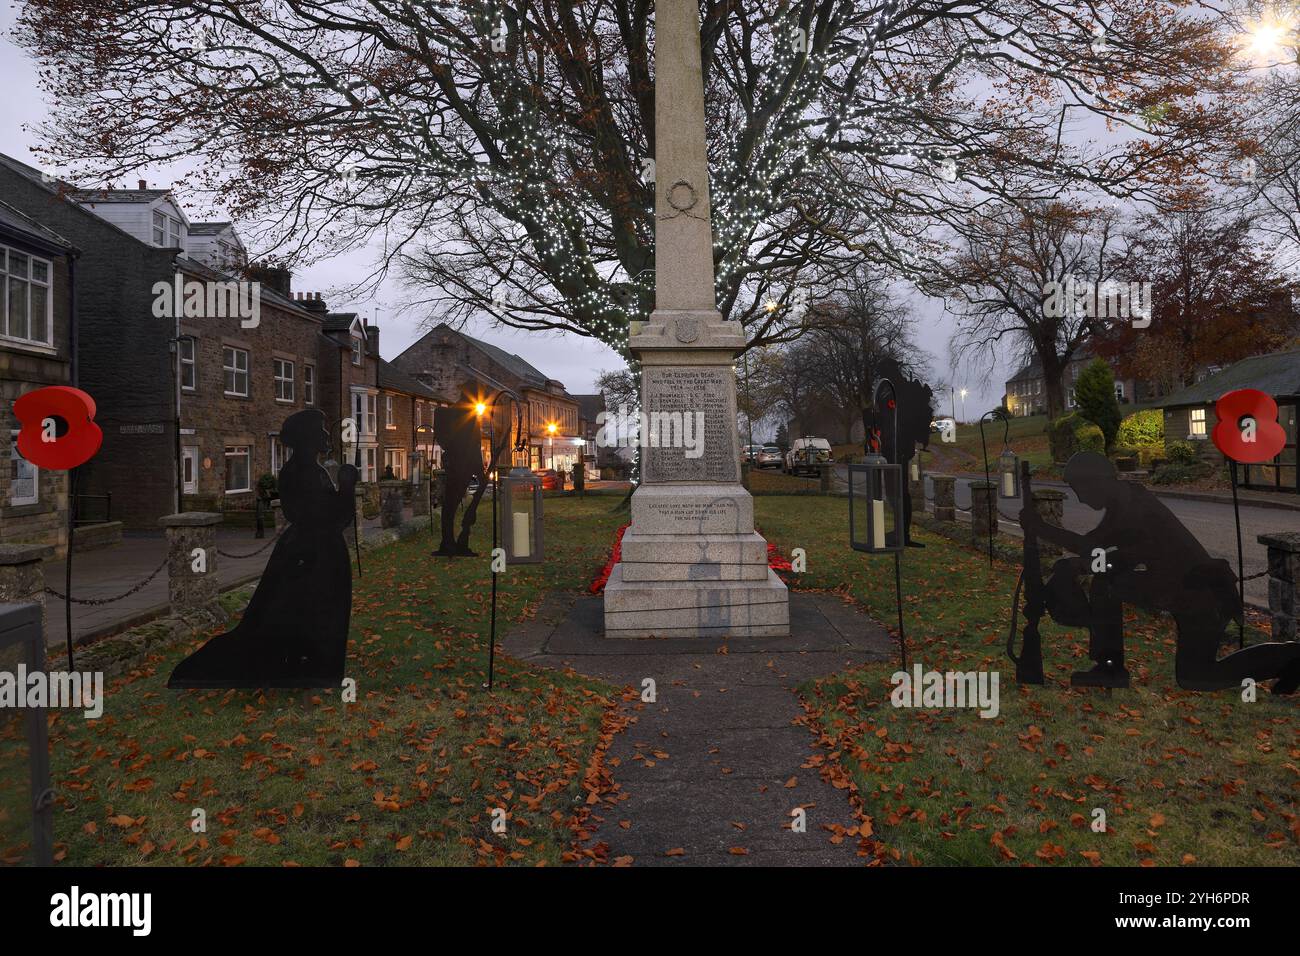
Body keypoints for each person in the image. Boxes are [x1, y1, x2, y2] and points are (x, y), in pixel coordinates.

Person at [1020, 452, 1300, 692]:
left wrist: (1041, 528)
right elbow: (1124, 554)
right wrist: (1077, 566)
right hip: (1182, 589)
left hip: (1199, 594)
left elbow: (1093, 545)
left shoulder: (1130, 505)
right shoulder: (1127, 499)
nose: (1080, 499)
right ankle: (1109, 666)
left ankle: (1290, 657)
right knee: (1106, 585)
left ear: (1097, 481)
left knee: (1197, 677)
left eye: (1079, 488)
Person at [168, 408, 356, 688]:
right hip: (310, 554)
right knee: (305, 607)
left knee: (316, 609)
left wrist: (344, 491)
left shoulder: (312, 471)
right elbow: (321, 516)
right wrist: (347, 489)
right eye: (321, 430)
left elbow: (335, 517)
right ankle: (307, 666)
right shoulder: (300, 473)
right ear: (307, 437)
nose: (327, 435)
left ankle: (316, 665)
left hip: (318, 550)